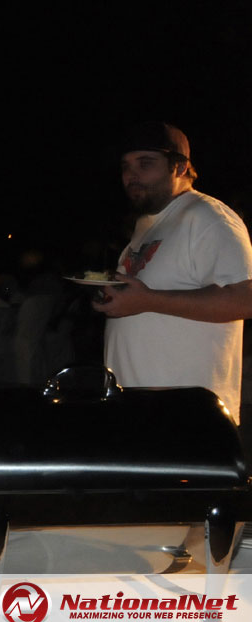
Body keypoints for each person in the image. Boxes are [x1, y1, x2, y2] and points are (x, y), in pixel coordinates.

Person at [94, 122, 252, 423]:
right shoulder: (146, 225)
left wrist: (148, 300)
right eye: (126, 166)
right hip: (136, 405)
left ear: (179, 168)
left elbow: (244, 299)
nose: (131, 175)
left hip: (189, 416)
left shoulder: (208, 217)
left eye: (145, 163)